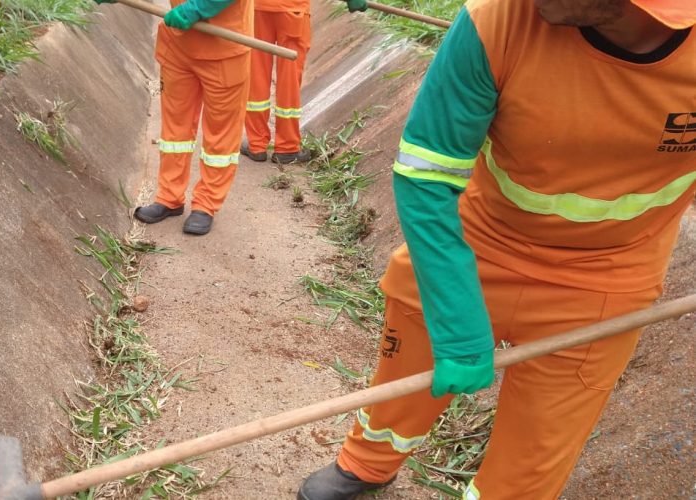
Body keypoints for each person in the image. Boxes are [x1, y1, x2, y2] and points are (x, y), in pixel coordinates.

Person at [298, 0, 696, 498]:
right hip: (478, 240)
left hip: (608, 280)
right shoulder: (497, 19)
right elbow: (426, 178)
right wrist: (455, 320)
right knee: (405, 377)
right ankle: (367, 461)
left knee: (536, 454)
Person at [97, 0, 252, 235]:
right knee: (175, 131)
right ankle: (169, 198)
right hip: (179, 47)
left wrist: (197, 8)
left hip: (225, 49)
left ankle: (206, 205)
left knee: (220, 136)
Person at [241, 0, 313, 164]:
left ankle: (256, 144)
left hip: (257, 8)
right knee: (289, 78)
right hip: (292, 9)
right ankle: (287, 147)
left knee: (256, 73)